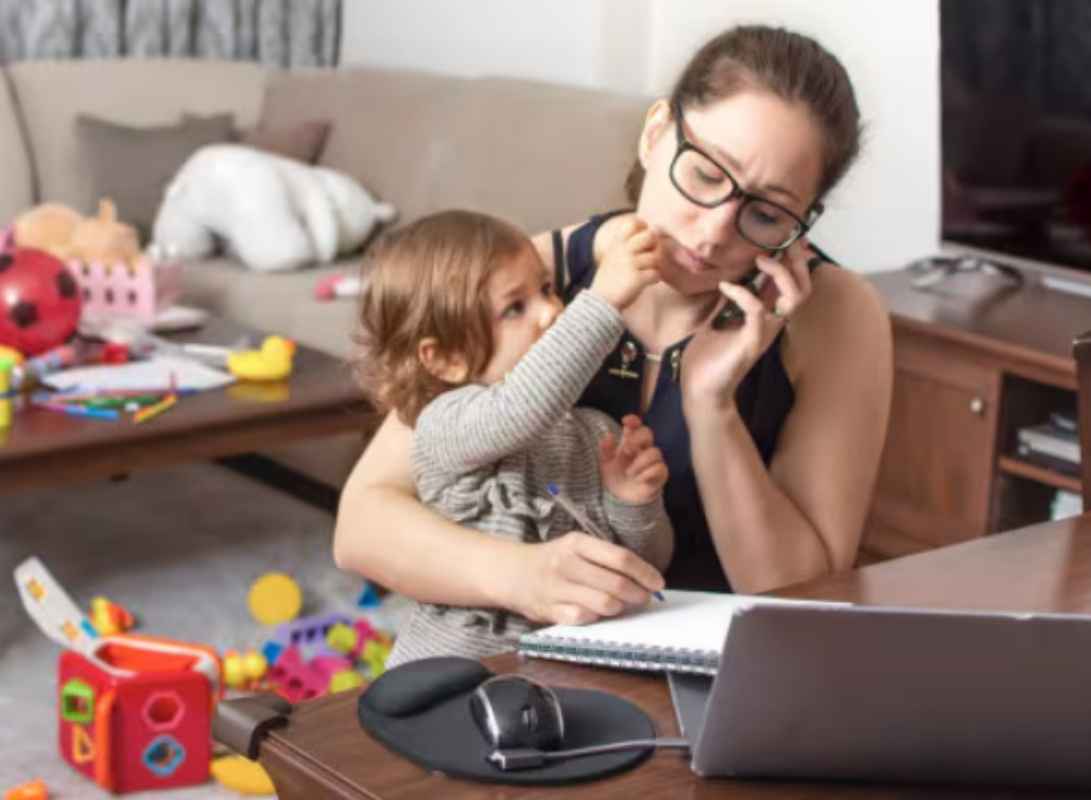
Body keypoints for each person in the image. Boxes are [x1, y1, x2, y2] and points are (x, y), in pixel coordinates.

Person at [334, 24, 892, 625]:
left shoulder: (836, 317)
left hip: (727, 667)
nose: (712, 232)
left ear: (801, 221)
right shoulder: (534, 281)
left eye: (764, 213)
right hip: (534, 653)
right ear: (656, 134)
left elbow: (804, 599)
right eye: (706, 175)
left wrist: (711, 407)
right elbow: (363, 523)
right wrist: (520, 575)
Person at [353, 209, 674, 663]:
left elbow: (646, 566)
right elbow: (519, 410)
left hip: (560, 671)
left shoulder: (594, 432)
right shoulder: (443, 424)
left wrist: (633, 501)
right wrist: (603, 300)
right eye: (514, 308)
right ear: (446, 360)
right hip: (448, 676)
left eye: (546, 289)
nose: (551, 311)